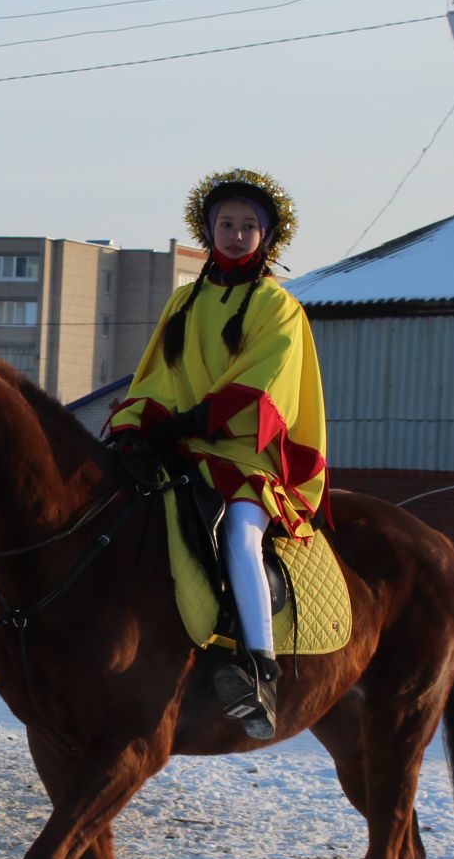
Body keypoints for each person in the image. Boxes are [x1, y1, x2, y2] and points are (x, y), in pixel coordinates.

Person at [105, 168, 329, 740]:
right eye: (225, 224)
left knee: (240, 536)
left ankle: (261, 669)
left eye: (247, 226)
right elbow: (155, 375)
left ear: (266, 236)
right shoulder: (184, 301)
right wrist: (139, 422)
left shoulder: (280, 307)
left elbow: (266, 384)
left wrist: (202, 418)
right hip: (180, 446)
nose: (235, 235)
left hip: (244, 457)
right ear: (208, 231)